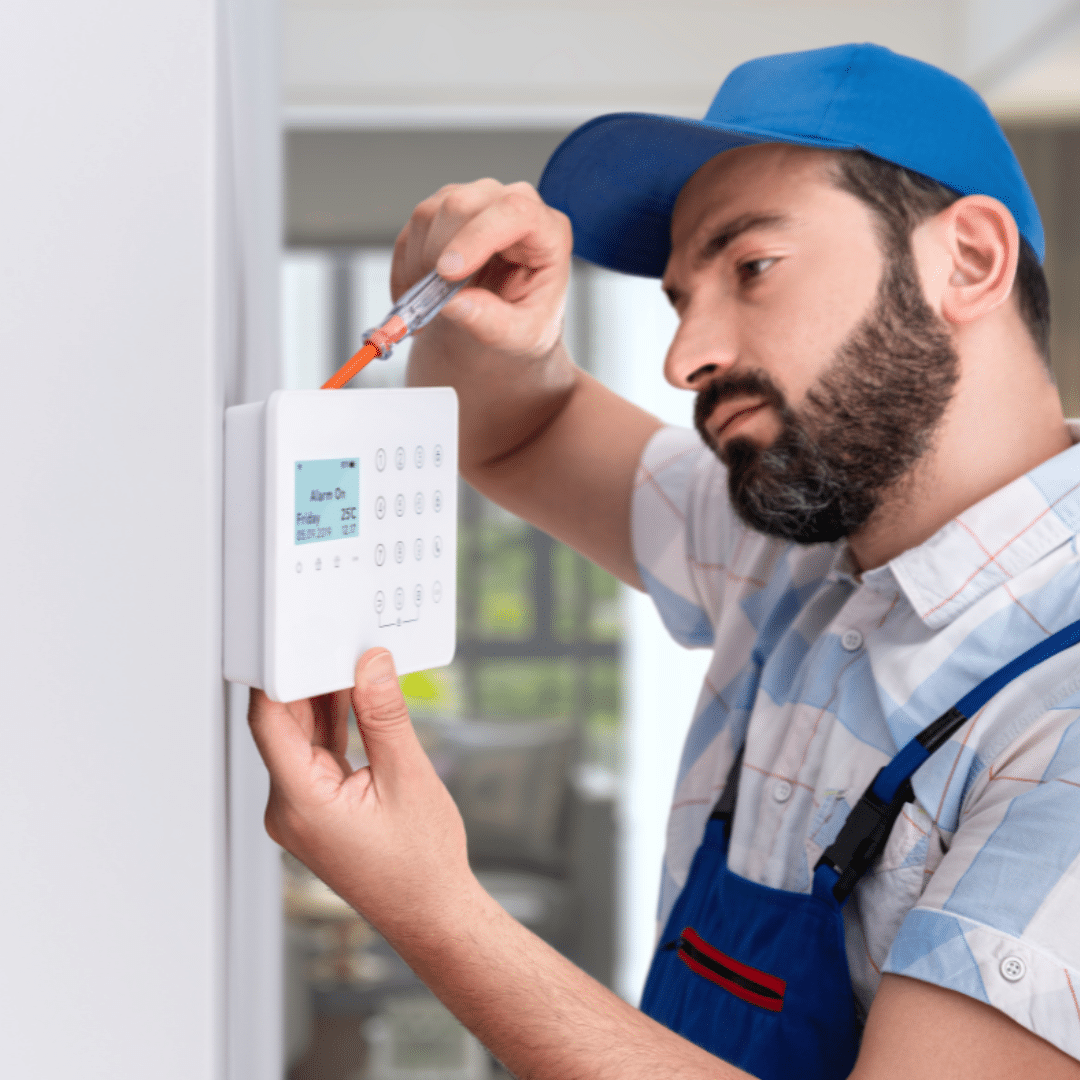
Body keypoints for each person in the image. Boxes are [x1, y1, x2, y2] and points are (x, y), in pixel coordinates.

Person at [248, 44, 1080, 1079]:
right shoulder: (800, 546)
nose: (683, 357)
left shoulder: (1062, 710)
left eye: (751, 268)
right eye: (684, 299)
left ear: (968, 262)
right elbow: (520, 429)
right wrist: (484, 319)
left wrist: (434, 912)